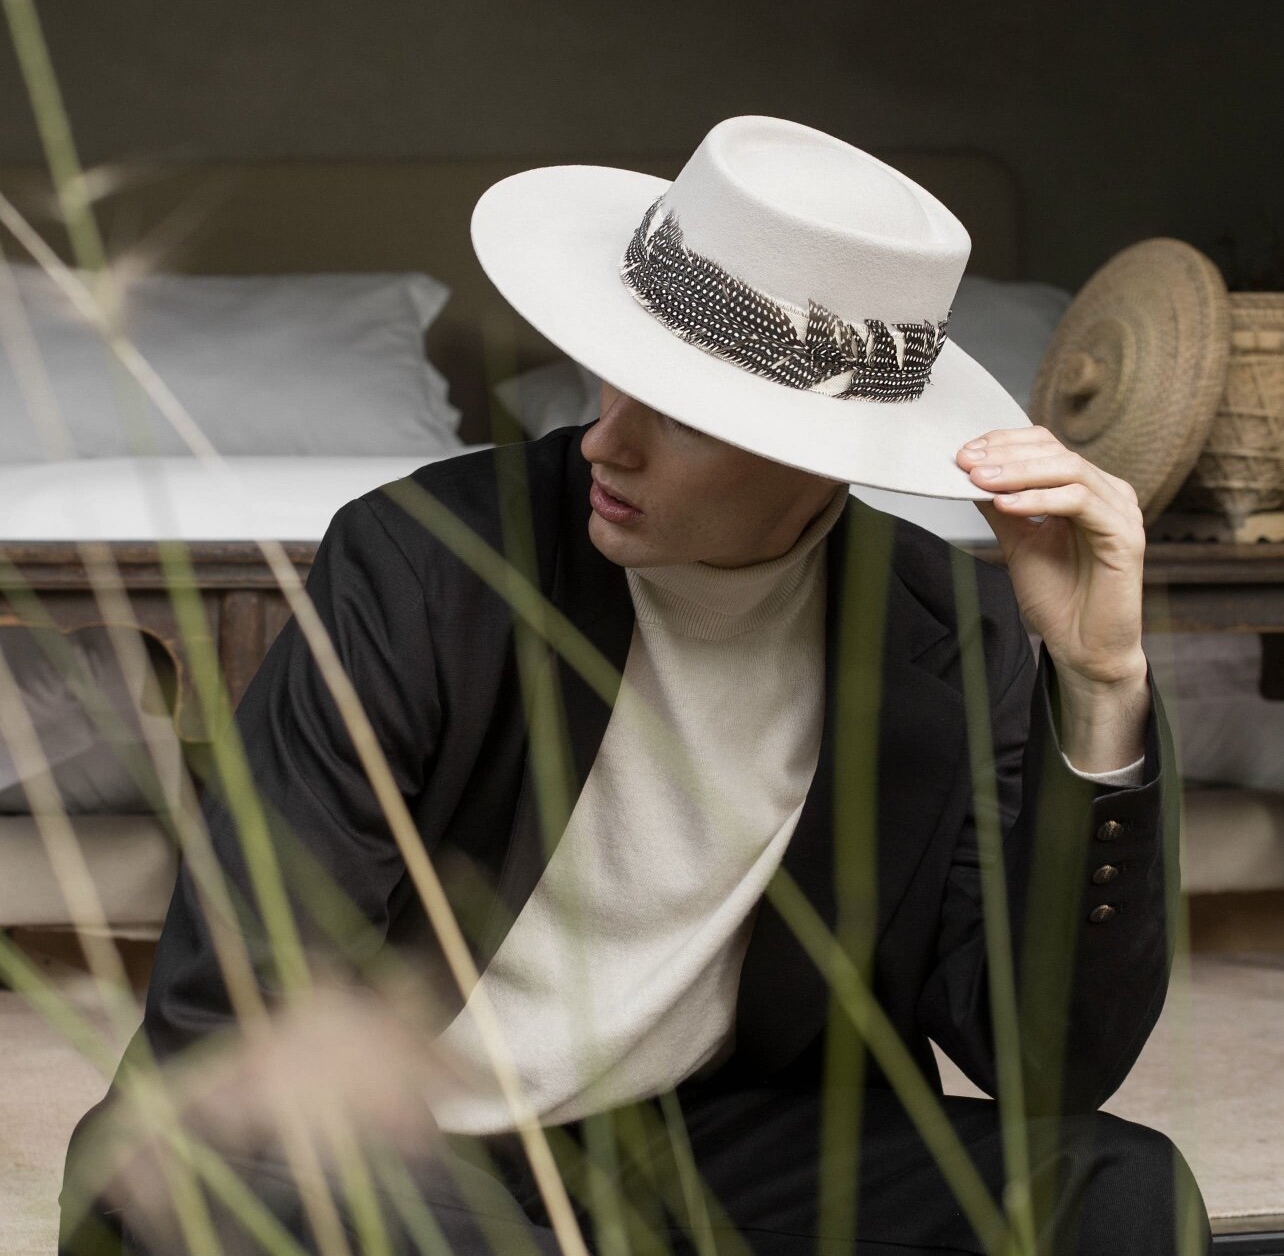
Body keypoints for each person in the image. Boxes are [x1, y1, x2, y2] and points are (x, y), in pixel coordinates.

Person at [61, 116, 1209, 1256]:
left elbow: (1045, 1064)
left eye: (681, 412)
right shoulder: (422, 564)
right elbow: (237, 1021)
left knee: (1116, 1190)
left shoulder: (946, 633)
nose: (607, 443)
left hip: (684, 1143)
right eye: (617, 376)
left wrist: (1100, 681)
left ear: (827, 451)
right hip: (355, 1149)